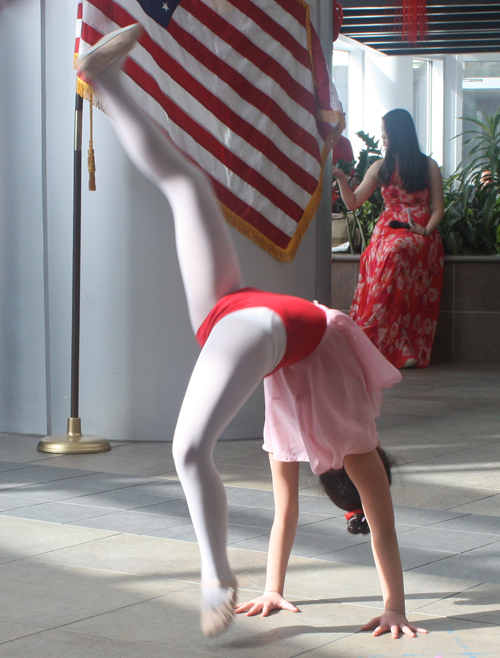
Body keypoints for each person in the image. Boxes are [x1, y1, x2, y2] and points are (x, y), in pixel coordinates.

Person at [77, 26, 427, 640]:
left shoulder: (304, 434)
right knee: (188, 451)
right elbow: (379, 519)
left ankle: (105, 82)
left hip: (240, 314)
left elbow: (285, 512)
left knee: (186, 185)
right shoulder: (353, 439)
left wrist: (274, 590)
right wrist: (393, 604)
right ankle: (217, 582)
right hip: (255, 319)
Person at [333, 109, 444, 369]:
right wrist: (340, 178)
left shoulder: (427, 166)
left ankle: (378, 339)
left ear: (398, 134)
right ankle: (396, 344)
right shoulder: (379, 167)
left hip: (419, 233)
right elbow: (353, 203)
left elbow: (438, 208)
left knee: (396, 251)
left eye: (385, 132)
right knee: (382, 253)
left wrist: (425, 231)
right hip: (386, 234)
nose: (382, 137)